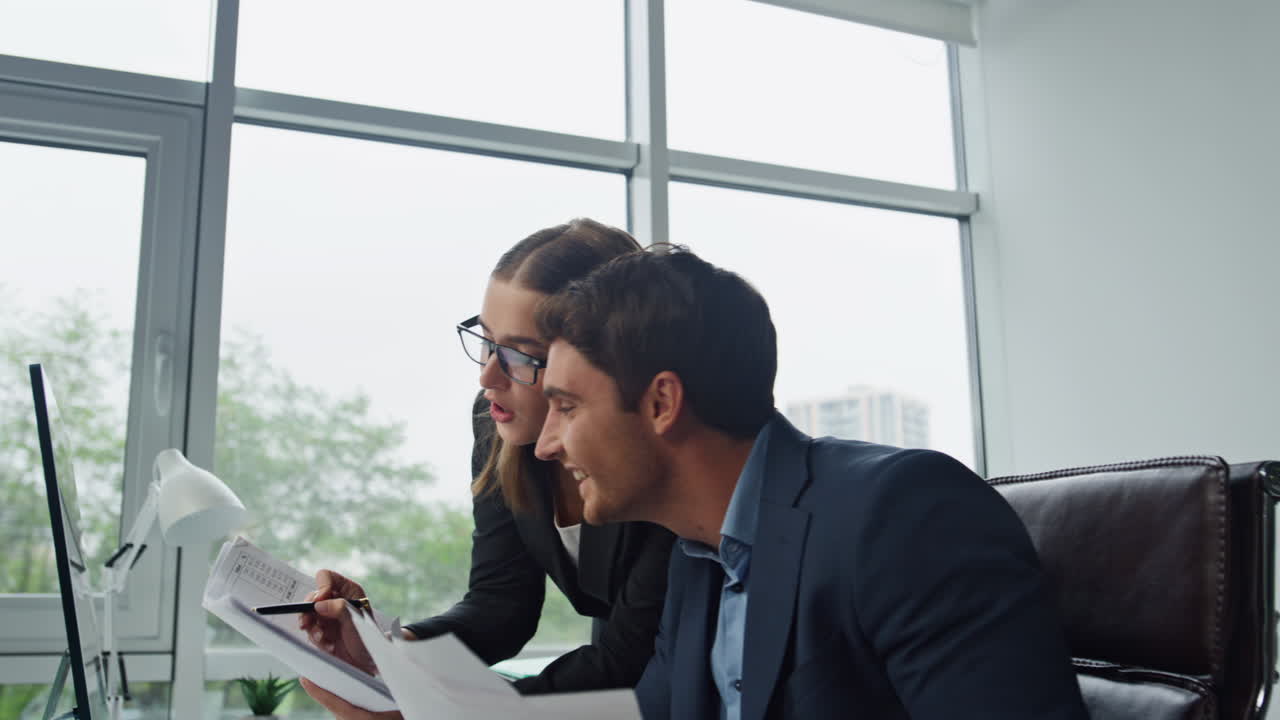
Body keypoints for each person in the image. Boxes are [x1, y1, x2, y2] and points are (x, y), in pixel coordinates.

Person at [532, 246, 1091, 719]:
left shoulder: (903, 514)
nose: (546, 444)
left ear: (661, 403)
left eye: (566, 407)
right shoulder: (697, 556)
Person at [297, 219, 675, 718]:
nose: (487, 375)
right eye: (486, 340)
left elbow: (627, 658)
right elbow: (502, 604)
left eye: (520, 355)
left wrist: (442, 711)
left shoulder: (655, 457)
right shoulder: (497, 425)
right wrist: (387, 644)